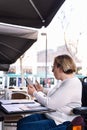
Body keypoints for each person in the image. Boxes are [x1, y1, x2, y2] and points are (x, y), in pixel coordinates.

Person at [17, 54, 82, 130]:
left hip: (60, 121)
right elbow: (57, 95)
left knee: (24, 127)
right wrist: (42, 90)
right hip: (51, 115)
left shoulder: (72, 83)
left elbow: (50, 104)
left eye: (53, 67)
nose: (52, 70)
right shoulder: (64, 82)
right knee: (21, 122)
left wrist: (34, 93)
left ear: (60, 68)